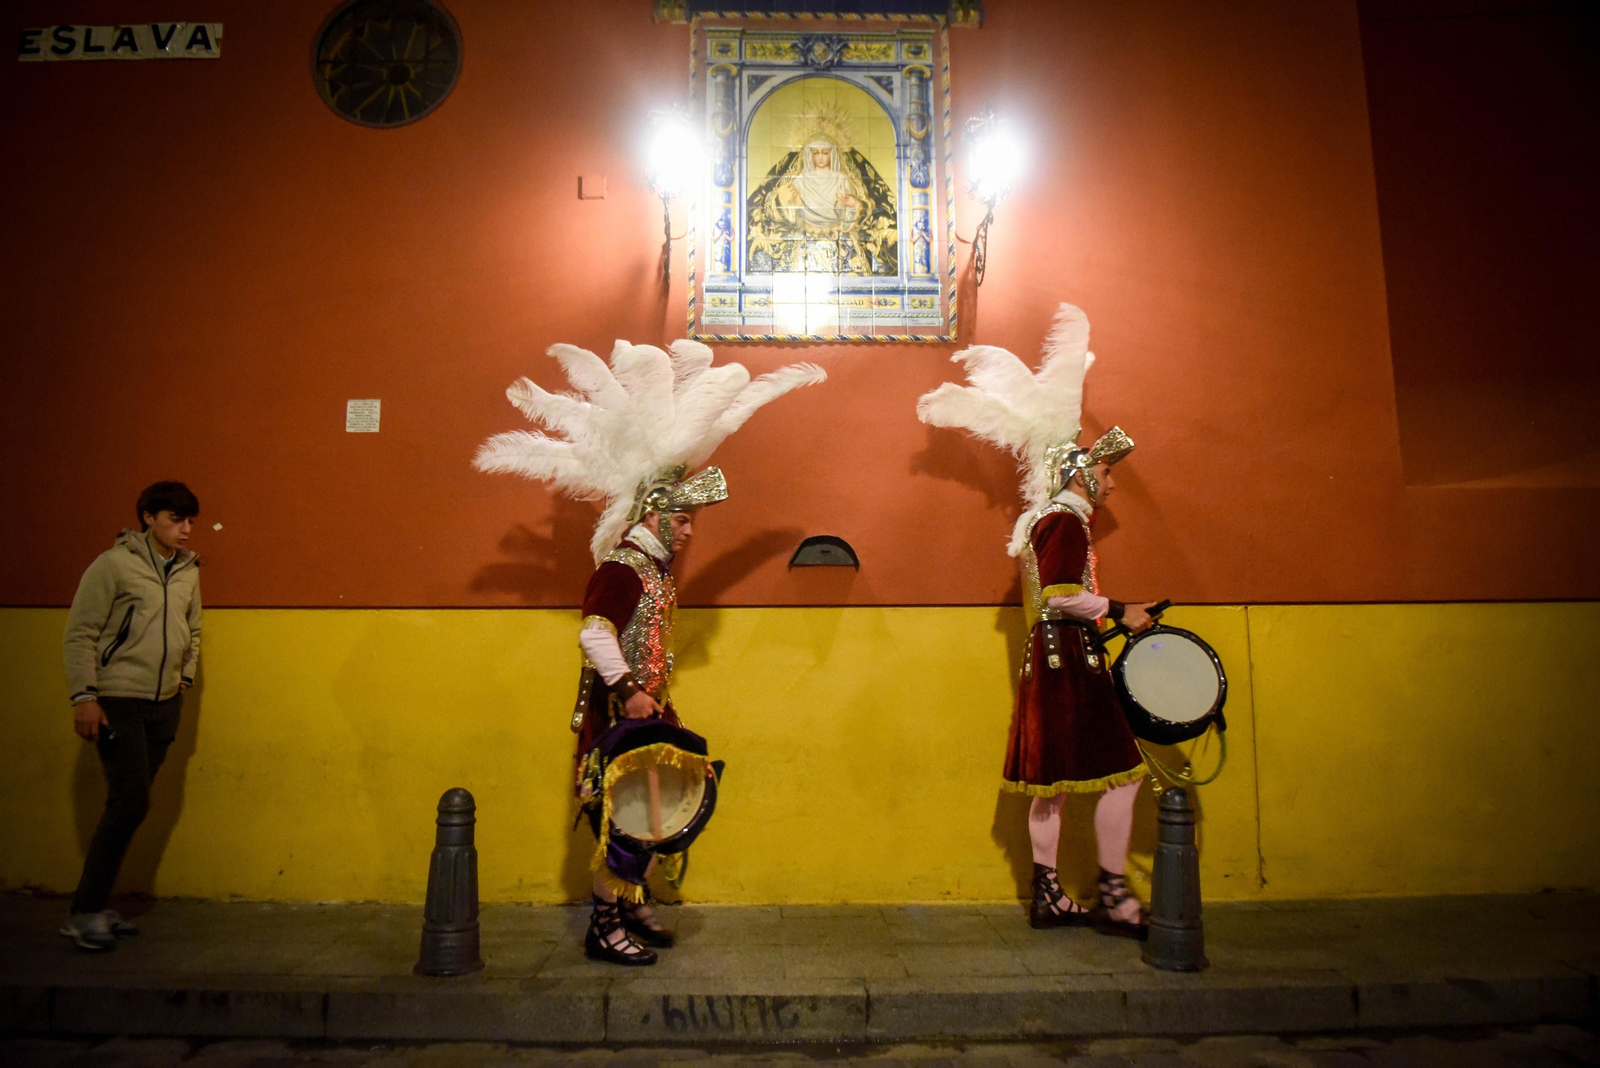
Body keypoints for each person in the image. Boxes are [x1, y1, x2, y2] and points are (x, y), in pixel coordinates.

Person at [475, 338, 825, 965]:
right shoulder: (624, 567)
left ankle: (631, 904)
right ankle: (604, 926)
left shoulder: (653, 569)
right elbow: (594, 633)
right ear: (654, 514)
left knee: (657, 808)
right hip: (622, 710)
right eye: (683, 520)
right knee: (625, 819)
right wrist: (630, 690)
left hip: (646, 705)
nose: (690, 531)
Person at [917, 303, 1160, 939]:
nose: (1110, 482)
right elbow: (1059, 595)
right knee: (1123, 778)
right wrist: (1121, 610)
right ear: (1079, 474)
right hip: (1069, 661)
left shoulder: (1049, 520)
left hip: (1049, 661)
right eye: (1104, 471)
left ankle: (1050, 895)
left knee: (1051, 784)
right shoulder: (1065, 521)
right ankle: (1114, 895)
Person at [60, 481, 202, 952]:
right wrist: (85, 697)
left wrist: (184, 678)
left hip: (165, 703)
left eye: (189, 521)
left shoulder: (188, 570)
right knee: (129, 803)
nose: (185, 530)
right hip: (119, 699)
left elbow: (193, 629)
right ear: (148, 518)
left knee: (131, 803)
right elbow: (81, 633)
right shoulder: (113, 565)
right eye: (175, 520)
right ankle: (84, 914)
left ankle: (93, 907)